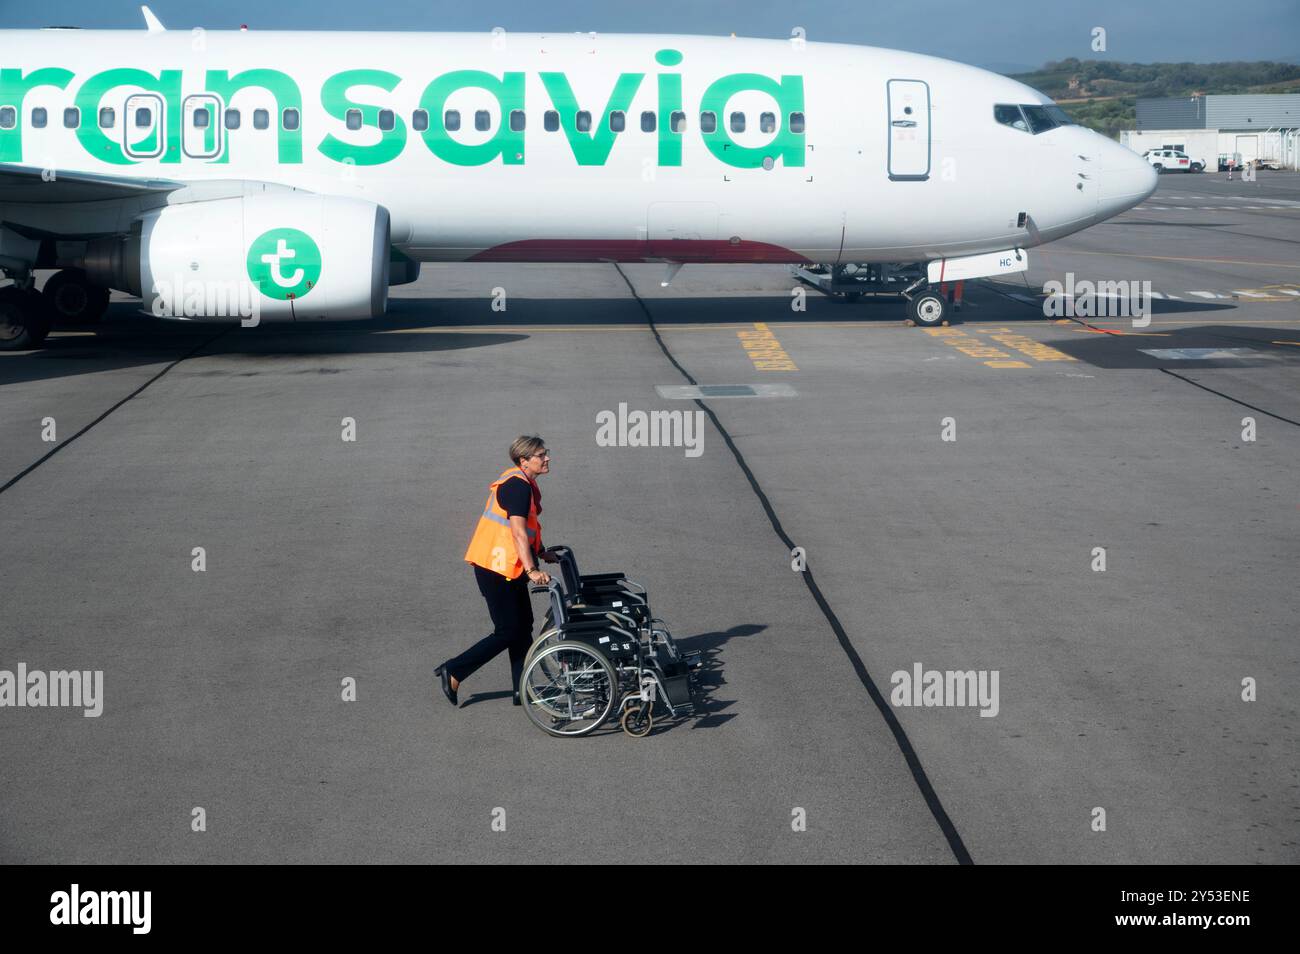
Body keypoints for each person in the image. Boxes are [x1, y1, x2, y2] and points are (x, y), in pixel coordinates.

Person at [436, 436, 559, 708]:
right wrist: (532, 570)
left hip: (506, 566)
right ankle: (454, 670)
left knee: (522, 627)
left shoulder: (521, 482)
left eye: (545, 453)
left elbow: (524, 528)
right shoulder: (517, 487)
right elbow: (516, 531)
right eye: (541, 455)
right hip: (496, 568)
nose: (547, 458)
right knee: (507, 630)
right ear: (524, 460)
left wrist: (540, 552)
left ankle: (522, 689)